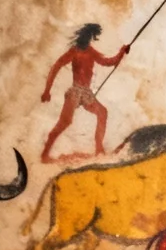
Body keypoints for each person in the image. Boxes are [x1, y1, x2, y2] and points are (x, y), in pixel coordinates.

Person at [40, 24, 127, 162]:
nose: (89, 40)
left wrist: (121, 52)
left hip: (86, 93)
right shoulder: (74, 52)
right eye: (90, 37)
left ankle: (99, 150)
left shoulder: (91, 52)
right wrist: (46, 91)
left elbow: (108, 62)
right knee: (64, 122)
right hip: (75, 92)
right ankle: (45, 155)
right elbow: (56, 67)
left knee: (102, 113)